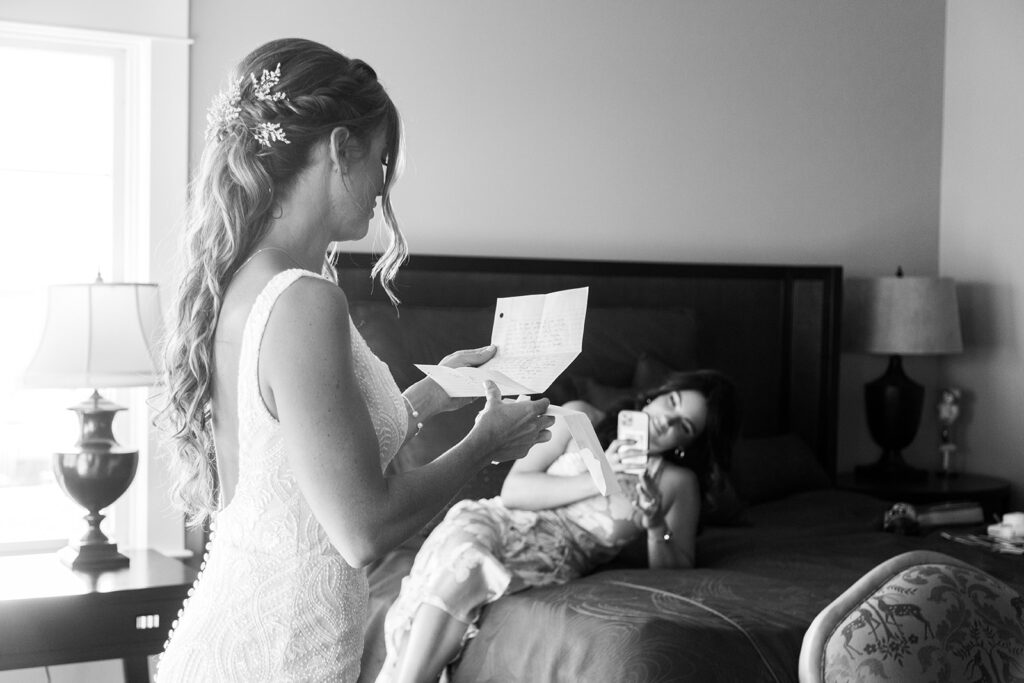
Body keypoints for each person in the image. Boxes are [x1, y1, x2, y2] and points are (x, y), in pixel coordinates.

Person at [154, 38, 554, 682]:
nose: (383, 187)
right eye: (382, 160)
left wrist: (435, 393)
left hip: (246, 637)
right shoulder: (304, 299)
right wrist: (485, 444)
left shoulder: (249, 280)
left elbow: (303, 458)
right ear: (341, 148)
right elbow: (362, 530)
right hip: (277, 656)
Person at [376, 369, 741, 683]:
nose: (667, 420)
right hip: (496, 521)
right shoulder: (579, 419)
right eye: (672, 402)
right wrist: (601, 477)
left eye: (684, 426)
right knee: (466, 555)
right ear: (656, 396)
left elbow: (674, 571)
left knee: (468, 570)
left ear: (686, 444)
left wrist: (655, 522)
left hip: (554, 556)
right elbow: (515, 491)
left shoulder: (675, 484)